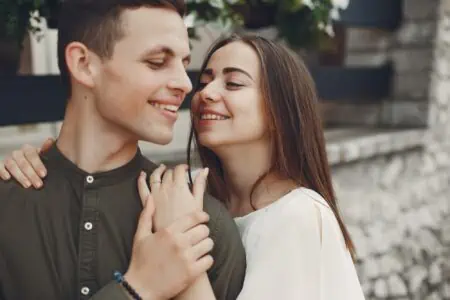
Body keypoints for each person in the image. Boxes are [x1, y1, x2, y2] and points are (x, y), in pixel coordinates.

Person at [2, 34, 366, 299]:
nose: (205, 93)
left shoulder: (299, 216)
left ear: (280, 112)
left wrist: (184, 256)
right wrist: (44, 162)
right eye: (205, 80)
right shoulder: (188, 191)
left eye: (234, 83)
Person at [0, 1, 246, 300]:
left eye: (184, 63)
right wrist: (136, 289)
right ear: (83, 64)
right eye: (157, 61)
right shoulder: (7, 203)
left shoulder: (203, 226)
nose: (185, 83)